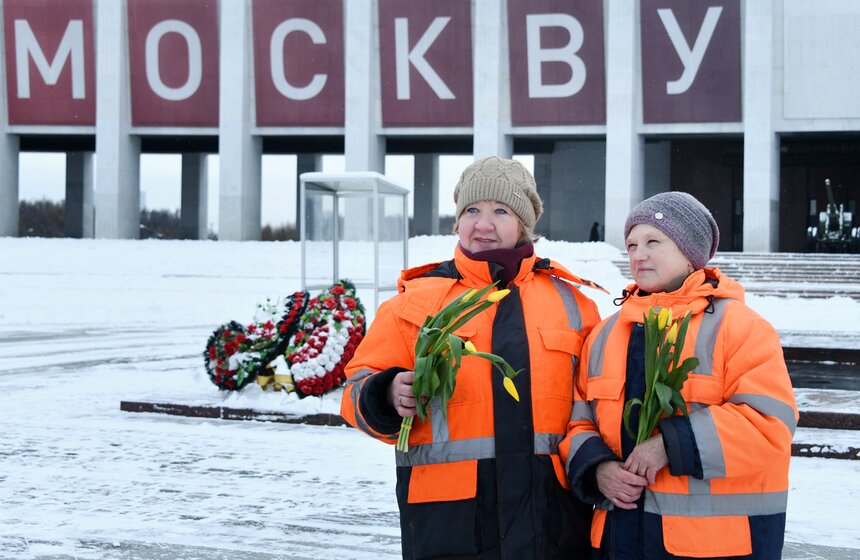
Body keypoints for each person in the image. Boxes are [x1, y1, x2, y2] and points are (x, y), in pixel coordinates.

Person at [341, 156, 606, 559]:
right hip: (449, 525)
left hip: (553, 521)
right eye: (471, 211)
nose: (483, 224)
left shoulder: (574, 303)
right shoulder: (415, 302)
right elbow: (355, 391)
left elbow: (597, 405)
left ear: (523, 223)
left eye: (500, 210)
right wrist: (387, 393)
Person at [561, 192, 798, 559]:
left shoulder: (740, 327)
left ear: (690, 252)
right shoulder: (605, 334)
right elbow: (579, 420)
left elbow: (768, 423)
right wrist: (598, 468)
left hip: (714, 545)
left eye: (654, 241)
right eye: (632, 245)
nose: (638, 254)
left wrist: (669, 445)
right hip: (620, 540)